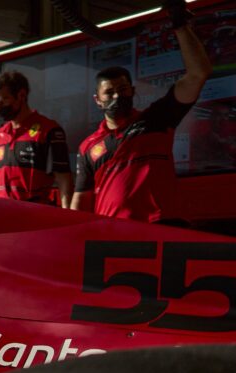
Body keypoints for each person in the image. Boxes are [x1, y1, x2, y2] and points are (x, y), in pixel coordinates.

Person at [70, 1, 212, 223]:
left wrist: (180, 26)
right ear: (98, 100)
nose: (117, 96)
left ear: (133, 91)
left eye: (123, 89)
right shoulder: (88, 146)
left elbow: (198, 73)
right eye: (109, 92)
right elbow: (80, 200)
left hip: (164, 228)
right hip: (112, 237)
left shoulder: (156, 119)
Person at [0, 71, 73, 207]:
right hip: (2, 214)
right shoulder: (0, 135)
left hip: (33, 213)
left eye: (4, 100)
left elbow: (64, 179)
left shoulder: (49, 130)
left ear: (22, 95)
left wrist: (68, 218)